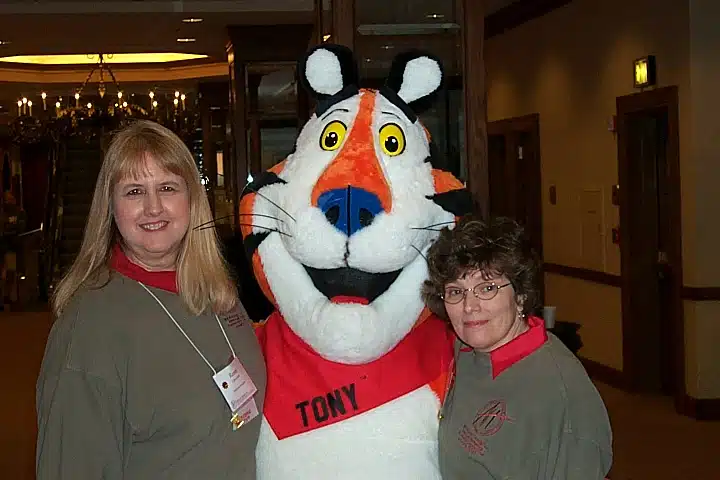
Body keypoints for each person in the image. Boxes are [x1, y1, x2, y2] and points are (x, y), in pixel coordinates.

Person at [36, 120, 266, 479]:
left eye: (168, 187)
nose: (153, 207)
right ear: (111, 208)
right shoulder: (89, 328)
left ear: (192, 199)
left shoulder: (220, 293)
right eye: (134, 191)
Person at [423, 215, 612, 479]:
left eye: (487, 288)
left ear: (521, 296)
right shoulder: (467, 352)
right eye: (456, 291)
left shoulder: (559, 394)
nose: (469, 306)